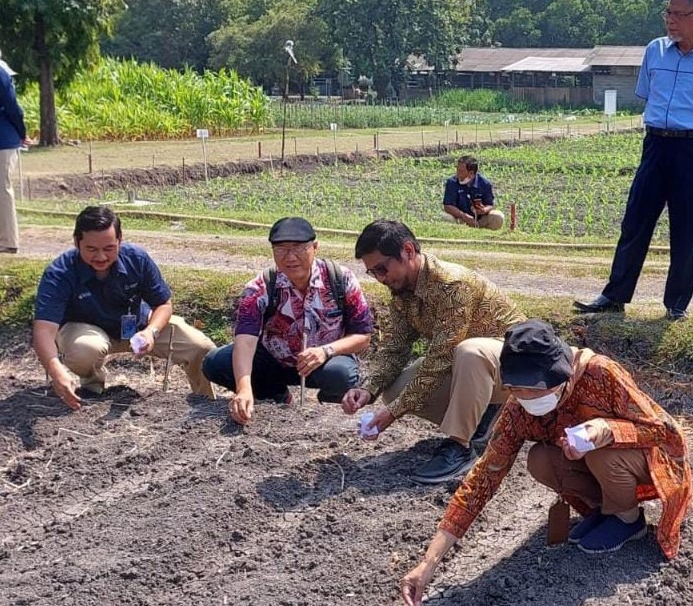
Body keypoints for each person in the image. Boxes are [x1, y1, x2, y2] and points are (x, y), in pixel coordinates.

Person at [398, 319, 693, 606]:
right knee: (541, 459)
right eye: (517, 388)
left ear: (561, 374)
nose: (527, 398)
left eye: (535, 389)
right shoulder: (518, 411)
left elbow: (664, 431)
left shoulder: (600, 373)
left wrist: (608, 430)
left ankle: (629, 519)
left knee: (601, 453)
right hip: (596, 467)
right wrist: (428, 562)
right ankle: (605, 512)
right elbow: (484, 478)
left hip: (639, 460)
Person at [574, 0, 693, 322]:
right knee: (636, 220)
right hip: (655, 145)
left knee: (686, 226)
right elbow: (647, 95)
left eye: (679, 14)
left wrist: (690, 124)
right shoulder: (654, 51)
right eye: (668, 13)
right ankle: (614, 295)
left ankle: (676, 304)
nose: (671, 21)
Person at [342, 220, 526, 483]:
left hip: (517, 366)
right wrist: (368, 389)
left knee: (469, 352)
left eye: (383, 268)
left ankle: (460, 445)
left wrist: (393, 413)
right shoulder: (401, 290)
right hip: (471, 367)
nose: (381, 279)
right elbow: (395, 348)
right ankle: (483, 416)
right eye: (373, 273)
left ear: (407, 251)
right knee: (394, 389)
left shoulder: (453, 286)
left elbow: (441, 357)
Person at [32, 206, 216, 408]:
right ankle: (91, 391)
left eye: (109, 248)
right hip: (87, 331)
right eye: (91, 249)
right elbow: (43, 330)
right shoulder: (60, 273)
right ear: (77, 242)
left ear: (120, 240)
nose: (101, 257)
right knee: (84, 351)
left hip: (139, 327)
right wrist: (56, 370)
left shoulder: (137, 259)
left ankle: (206, 403)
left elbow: (163, 304)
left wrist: (151, 332)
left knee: (201, 347)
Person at [203, 217, 374, 424]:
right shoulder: (261, 286)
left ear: (315, 247)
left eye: (298, 248)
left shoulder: (340, 279)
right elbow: (245, 340)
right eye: (281, 249)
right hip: (275, 361)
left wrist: (324, 351)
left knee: (340, 375)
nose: (290, 257)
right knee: (215, 362)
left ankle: (327, 409)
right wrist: (244, 388)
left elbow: (363, 336)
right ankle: (275, 396)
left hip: (324, 361)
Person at [0, 50, 31, 254]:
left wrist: (21, 132)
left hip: (2, 139)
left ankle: (9, 240)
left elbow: (12, 107)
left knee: (2, 189)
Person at [442, 155, 504, 231]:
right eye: (457, 170)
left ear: (471, 173)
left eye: (461, 171)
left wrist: (483, 210)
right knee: (446, 218)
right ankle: (457, 233)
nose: (457, 174)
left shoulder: (485, 184)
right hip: (460, 220)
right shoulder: (452, 182)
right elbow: (448, 206)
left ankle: (487, 235)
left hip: (480, 220)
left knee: (497, 216)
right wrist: (464, 216)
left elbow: (490, 205)